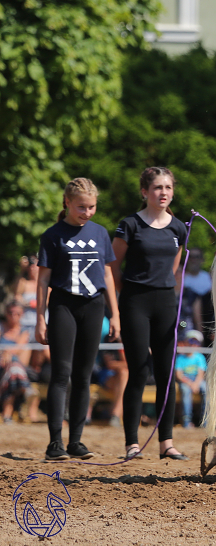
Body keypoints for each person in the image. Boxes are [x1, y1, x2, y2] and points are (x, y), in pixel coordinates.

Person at [36, 178, 120, 460]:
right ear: (67, 203)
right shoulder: (52, 234)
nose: (87, 212)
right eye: (81, 207)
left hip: (93, 305)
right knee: (62, 373)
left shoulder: (100, 233)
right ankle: (55, 443)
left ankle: (76, 441)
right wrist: (39, 318)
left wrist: (115, 314)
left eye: (92, 207)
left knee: (84, 375)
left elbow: (107, 273)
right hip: (63, 304)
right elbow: (43, 279)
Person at [112, 167, 188, 461]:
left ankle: (166, 442)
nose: (164, 193)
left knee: (167, 374)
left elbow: (174, 267)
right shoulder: (130, 224)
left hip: (165, 304)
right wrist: (123, 299)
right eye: (157, 187)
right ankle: (132, 442)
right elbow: (113, 265)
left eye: (168, 187)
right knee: (139, 371)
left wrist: (165, 291)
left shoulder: (179, 228)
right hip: (135, 302)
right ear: (145, 192)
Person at [175, 329, 207, 428]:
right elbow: (179, 375)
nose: (193, 345)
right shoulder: (180, 358)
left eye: (196, 342)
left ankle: (205, 421)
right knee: (185, 391)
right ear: (185, 342)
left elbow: (201, 374)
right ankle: (186, 421)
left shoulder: (200, 357)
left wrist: (196, 384)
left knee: (207, 390)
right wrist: (191, 384)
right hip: (186, 381)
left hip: (197, 380)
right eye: (191, 341)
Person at [13, 255, 39, 341]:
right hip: (25, 324)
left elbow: (47, 301)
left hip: (40, 324)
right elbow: (16, 296)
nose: (32, 268)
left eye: (34, 265)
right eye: (30, 266)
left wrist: (29, 303)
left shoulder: (44, 283)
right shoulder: (23, 282)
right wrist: (21, 270)